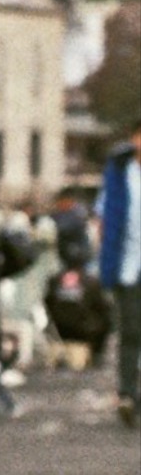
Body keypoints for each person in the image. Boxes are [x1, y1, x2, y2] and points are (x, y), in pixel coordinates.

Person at [98, 117, 141, 427]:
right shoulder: (120, 171)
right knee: (130, 331)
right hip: (128, 264)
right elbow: (105, 216)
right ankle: (126, 393)